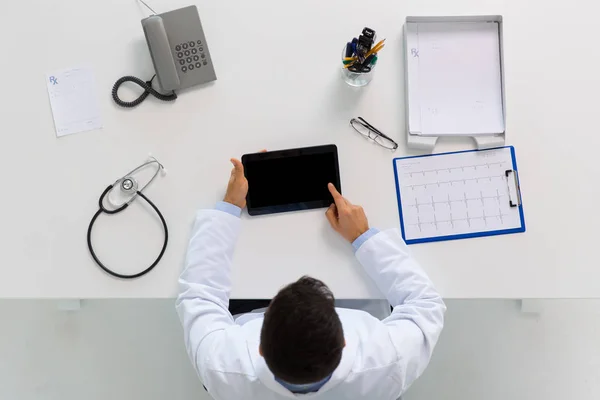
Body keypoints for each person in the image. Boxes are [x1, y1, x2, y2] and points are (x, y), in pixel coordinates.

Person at [176, 157, 446, 400]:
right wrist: (363, 237)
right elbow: (425, 304)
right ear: (344, 342)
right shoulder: (390, 360)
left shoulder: (220, 366)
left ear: (259, 347)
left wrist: (229, 207)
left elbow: (200, 295)